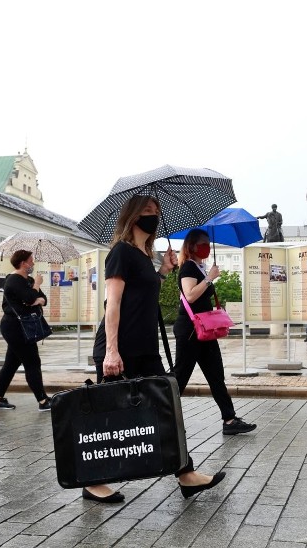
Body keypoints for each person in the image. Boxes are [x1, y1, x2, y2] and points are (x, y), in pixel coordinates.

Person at [86, 195, 226, 504]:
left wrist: (162, 271)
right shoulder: (121, 253)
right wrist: (111, 351)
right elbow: (114, 304)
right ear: (133, 216)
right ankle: (93, 482)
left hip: (145, 349)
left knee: (166, 408)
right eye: (148, 211)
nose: (154, 216)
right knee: (110, 418)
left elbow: (145, 295)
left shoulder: (142, 256)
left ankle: (185, 474)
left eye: (156, 212)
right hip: (119, 349)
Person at [174, 229, 256, 436]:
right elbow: (190, 296)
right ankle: (161, 416)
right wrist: (210, 278)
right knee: (181, 376)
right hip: (191, 331)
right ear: (191, 246)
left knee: (215, 374)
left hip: (204, 329)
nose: (207, 247)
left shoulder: (199, 267)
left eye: (208, 243)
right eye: (202, 243)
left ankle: (229, 420)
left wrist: (209, 276)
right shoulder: (188, 268)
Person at [0, 250, 52, 412]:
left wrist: (35, 297)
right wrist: (36, 288)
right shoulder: (13, 280)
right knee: (32, 361)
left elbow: (43, 299)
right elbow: (31, 298)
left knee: (11, 364)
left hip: (24, 326)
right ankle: (43, 400)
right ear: (23, 263)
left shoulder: (28, 280)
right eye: (31, 261)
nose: (33, 263)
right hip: (14, 327)